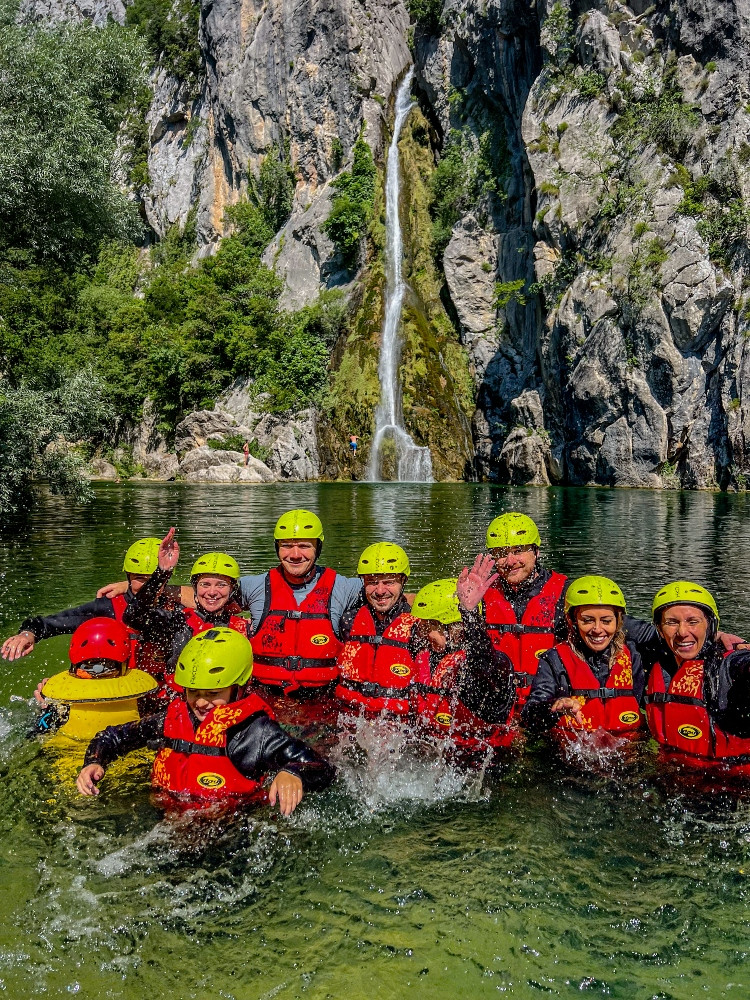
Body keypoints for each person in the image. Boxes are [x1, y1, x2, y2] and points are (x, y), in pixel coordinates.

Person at [75, 627, 336, 812]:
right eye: (193, 692)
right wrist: (95, 761)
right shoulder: (171, 718)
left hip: (229, 826)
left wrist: (293, 773)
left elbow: (322, 768)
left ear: (239, 687)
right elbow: (113, 736)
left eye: (213, 694)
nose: (200, 702)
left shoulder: (257, 732)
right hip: (165, 816)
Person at [1, 537, 181, 665]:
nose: (146, 586)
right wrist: (27, 634)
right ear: (127, 576)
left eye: (153, 579)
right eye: (139, 578)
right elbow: (47, 624)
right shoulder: (107, 607)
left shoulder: (177, 608)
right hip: (116, 686)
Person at [122, 530, 251, 696]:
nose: (212, 592)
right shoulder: (176, 621)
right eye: (205, 584)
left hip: (220, 706)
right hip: (177, 704)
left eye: (221, 585)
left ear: (232, 590)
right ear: (194, 588)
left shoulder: (243, 629)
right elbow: (132, 616)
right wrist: (161, 573)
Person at [409, 559, 516, 751]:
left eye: (429, 627)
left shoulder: (490, 664)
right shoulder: (426, 655)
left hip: (482, 760)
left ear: (454, 628)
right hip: (434, 752)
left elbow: (482, 663)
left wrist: (470, 614)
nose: (422, 634)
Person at [644, 581, 750, 774]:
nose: (683, 632)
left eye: (693, 622)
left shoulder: (728, 665)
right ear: (659, 629)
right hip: (669, 781)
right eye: (672, 622)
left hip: (729, 789)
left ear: (709, 625)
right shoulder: (651, 658)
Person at [521, 575, 644, 741]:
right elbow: (531, 715)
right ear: (572, 621)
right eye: (587, 621)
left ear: (618, 621)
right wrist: (554, 708)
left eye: (607, 621)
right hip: (570, 755)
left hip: (625, 752)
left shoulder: (633, 657)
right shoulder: (554, 660)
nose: (598, 629)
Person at [480, 513, 568, 708]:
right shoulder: (479, 595)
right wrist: (466, 609)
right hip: (500, 706)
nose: (510, 561)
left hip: (548, 704)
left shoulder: (565, 593)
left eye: (518, 550)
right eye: (501, 553)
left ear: (536, 551)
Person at [34, 618, 157, 743]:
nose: (97, 670)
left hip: (64, 759)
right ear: (125, 659)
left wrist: (44, 708)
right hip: (132, 758)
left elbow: (38, 733)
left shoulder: (62, 701)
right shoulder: (141, 696)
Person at [335, 542, 419, 715]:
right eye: (372, 582)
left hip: (398, 724)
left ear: (403, 581)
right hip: (352, 720)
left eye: (389, 582)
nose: (380, 591)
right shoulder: (348, 621)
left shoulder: (418, 627)